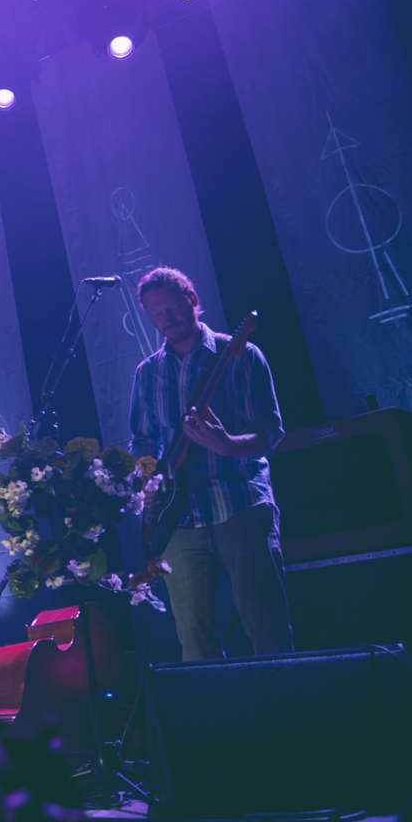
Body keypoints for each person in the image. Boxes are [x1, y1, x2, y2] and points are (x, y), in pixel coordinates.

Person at [128, 266, 293, 661]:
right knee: (196, 645)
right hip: (179, 521)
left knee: (267, 632)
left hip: (240, 506)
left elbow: (270, 430)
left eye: (173, 307)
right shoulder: (147, 372)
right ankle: (219, 722)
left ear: (193, 299)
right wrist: (145, 480)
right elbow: (143, 441)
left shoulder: (241, 354)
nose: (166, 319)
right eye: (156, 314)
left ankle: (290, 717)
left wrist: (228, 444)